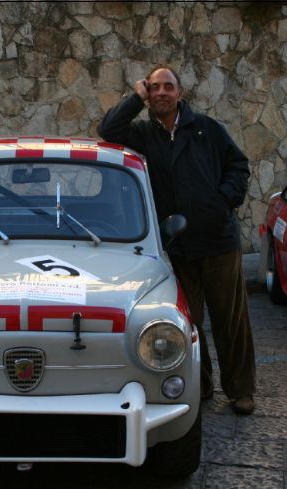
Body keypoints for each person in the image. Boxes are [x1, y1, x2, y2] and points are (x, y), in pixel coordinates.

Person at [98, 66, 256, 415]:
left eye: (168, 87)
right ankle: (200, 386)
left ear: (180, 93)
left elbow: (239, 166)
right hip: (177, 246)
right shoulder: (142, 135)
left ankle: (241, 390)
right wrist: (134, 97)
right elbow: (108, 130)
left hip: (218, 240)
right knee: (188, 323)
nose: (161, 93)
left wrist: (223, 200)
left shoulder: (207, 129)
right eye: (153, 88)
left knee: (230, 321)